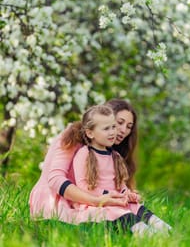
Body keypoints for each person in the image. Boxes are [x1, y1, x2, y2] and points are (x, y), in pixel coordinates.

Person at [29, 99, 170, 232]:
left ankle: (162, 231)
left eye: (129, 127)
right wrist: (97, 201)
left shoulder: (110, 152)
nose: (122, 131)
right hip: (55, 201)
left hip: (86, 201)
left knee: (130, 209)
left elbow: (110, 185)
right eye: (119, 123)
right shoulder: (72, 138)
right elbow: (55, 179)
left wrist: (126, 194)